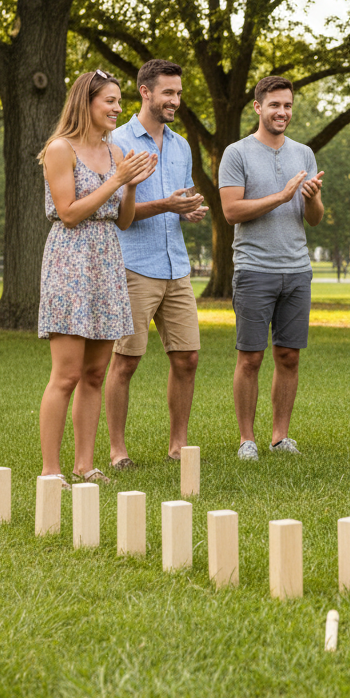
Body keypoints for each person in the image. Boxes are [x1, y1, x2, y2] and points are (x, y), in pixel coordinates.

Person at [37, 70, 156, 488]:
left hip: (107, 263)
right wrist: (117, 181)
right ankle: (51, 472)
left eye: (119, 101)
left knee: (94, 374)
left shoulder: (115, 151)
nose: (117, 108)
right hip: (71, 263)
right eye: (109, 100)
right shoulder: (59, 149)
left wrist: (130, 188)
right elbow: (68, 212)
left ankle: (85, 465)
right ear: (85, 102)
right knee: (66, 374)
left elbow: (123, 221)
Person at [105, 59, 209, 470]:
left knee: (187, 357)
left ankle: (178, 446)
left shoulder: (181, 145)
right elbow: (115, 211)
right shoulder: (115, 141)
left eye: (179, 94)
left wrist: (187, 211)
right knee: (125, 360)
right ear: (145, 92)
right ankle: (117, 450)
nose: (175, 100)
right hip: (133, 265)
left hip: (176, 266)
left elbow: (177, 199)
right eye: (168, 93)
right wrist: (166, 204)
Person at [218, 76, 324, 460]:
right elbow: (231, 211)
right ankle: (247, 439)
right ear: (258, 107)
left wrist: (309, 199)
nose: (283, 112)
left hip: (297, 269)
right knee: (250, 356)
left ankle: (280, 437)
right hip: (254, 269)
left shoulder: (304, 154)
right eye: (275, 105)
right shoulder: (237, 153)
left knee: (289, 356)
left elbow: (313, 219)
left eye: (288, 106)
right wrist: (280, 196)